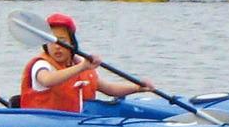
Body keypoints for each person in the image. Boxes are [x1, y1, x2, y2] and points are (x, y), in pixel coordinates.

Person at [19, 13, 152, 112]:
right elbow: (47, 80)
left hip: (75, 122)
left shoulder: (80, 66)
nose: (57, 46)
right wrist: (81, 67)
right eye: (51, 41)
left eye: (62, 41)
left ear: (72, 43)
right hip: (45, 123)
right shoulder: (42, 65)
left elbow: (109, 89)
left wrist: (137, 88)